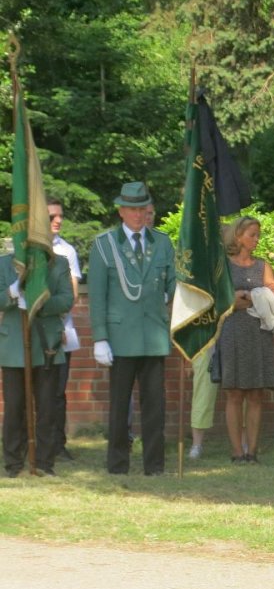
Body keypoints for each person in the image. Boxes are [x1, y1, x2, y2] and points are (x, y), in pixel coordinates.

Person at [89, 181, 176, 475]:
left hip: (153, 336)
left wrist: (176, 293)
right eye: (132, 209)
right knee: (119, 405)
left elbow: (174, 282)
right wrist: (100, 337)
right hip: (121, 337)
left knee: (155, 407)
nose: (138, 215)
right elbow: (97, 296)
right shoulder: (104, 244)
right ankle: (117, 464)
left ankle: (154, 465)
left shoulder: (162, 242)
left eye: (142, 209)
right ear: (121, 211)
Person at [1, 253, 74, 477]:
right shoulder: (4, 263)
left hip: (46, 343)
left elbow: (66, 299)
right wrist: (12, 293)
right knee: (14, 407)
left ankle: (44, 461)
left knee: (47, 407)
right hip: (14, 344)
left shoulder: (58, 263)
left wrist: (39, 302)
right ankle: (13, 463)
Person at [218, 216, 274, 464]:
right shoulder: (223, 265)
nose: (256, 239)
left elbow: (272, 298)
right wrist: (249, 297)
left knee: (255, 393)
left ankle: (252, 451)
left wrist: (246, 296)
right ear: (238, 236)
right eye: (252, 234)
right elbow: (222, 301)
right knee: (234, 393)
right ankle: (236, 451)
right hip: (231, 332)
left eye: (258, 235)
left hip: (258, 333)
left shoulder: (262, 266)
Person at [47, 198, 82, 461]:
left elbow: (72, 295)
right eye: (51, 217)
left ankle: (58, 443)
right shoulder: (24, 248)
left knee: (58, 391)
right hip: (33, 333)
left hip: (61, 330)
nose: (58, 221)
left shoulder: (67, 251)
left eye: (60, 216)